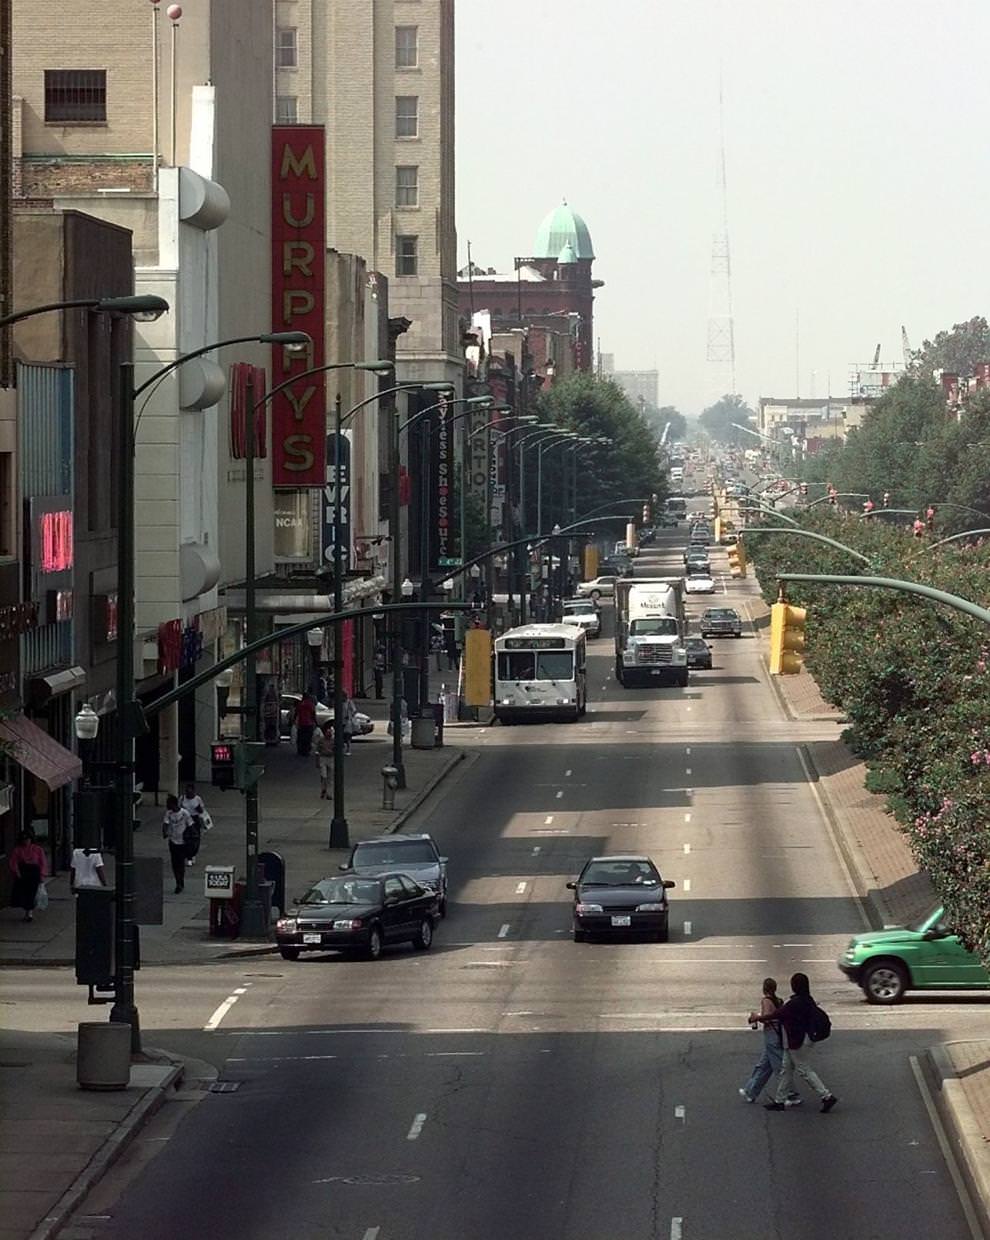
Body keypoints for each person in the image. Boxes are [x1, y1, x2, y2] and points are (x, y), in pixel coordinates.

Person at [765, 972, 838, 1113]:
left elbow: (777, 1014)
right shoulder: (807, 999)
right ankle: (779, 1101)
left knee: (803, 1069)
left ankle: (826, 1096)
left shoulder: (795, 1002)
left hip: (797, 1040)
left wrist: (757, 1018)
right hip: (802, 1039)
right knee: (786, 1069)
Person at [739, 977, 799, 1105]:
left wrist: (755, 1018)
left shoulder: (766, 1001)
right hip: (778, 1034)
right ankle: (751, 1091)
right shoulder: (779, 1000)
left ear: (764, 988)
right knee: (763, 1066)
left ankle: (791, 1094)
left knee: (778, 1066)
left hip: (771, 1036)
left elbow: (767, 1018)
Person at [9, 831, 48, 922]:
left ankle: (29, 912)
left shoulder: (37, 849)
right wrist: (16, 872)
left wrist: (42, 875)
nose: (26, 841)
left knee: (32, 892)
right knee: (24, 893)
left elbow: (43, 862)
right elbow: (13, 862)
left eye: (27, 839)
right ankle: (27, 910)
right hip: (23, 872)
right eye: (24, 839)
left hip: (34, 872)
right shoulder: (18, 850)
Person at [162, 795, 193, 894]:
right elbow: (165, 824)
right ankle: (178, 881)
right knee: (174, 864)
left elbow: (190, 825)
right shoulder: (168, 813)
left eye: (168, 803)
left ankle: (181, 881)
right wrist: (165, 832)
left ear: (173, 804)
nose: (167, 805)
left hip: (182, 842)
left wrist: (190, 839)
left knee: (180, 863)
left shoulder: (184, 813)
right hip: (172, 841)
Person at [179, 783, 208, 867]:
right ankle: (188, 857)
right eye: (187, 792)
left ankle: (192, 854)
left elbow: (201, 810)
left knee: (195, 839)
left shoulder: (197, 799)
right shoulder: (182, 798)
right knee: (186, 839)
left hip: (195, 819)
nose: (188, 794)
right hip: (185, 820)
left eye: (190, 792)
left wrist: (197, 807)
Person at [314, 721, 334, 799]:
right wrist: (317, 761)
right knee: (324, 776)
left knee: (330, 777)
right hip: (323, 758)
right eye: (327, 732)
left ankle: (328, 792)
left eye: (330, 732)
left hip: (330, 758)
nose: (329, 734)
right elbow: (317, 751)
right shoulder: (321, 741)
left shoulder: (333, 741)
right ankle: (324, 789)